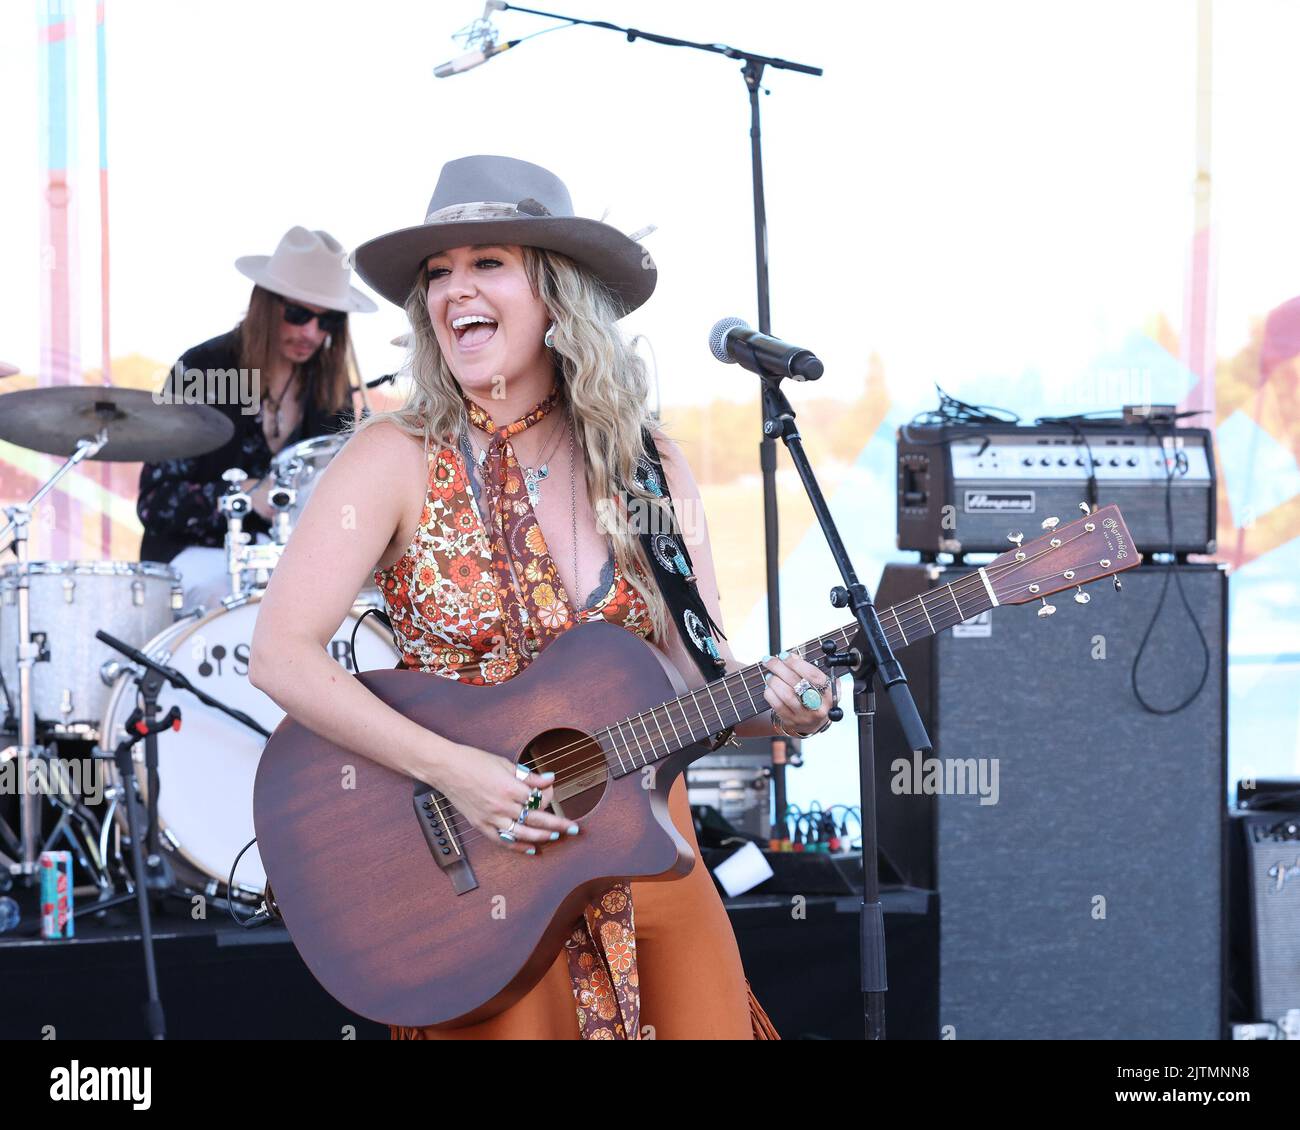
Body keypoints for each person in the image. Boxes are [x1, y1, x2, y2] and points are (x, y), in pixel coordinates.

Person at [247, 156, 834, 1040]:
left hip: (651, 869)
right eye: (438, 273)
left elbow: (699, 677)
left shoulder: (648, 466)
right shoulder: (392, 456)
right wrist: (459, 774)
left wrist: (781, 706)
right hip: (485, 888)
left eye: (488, 263)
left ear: (557, 293)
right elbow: (279, 655)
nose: (453, 291)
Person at [136, 226, 375, 607]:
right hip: (195, 556)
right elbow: (155, 501)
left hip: (282, 563)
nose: (311, 333)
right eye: (298, 314)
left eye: (327, 321)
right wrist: (244, 496)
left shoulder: (330, 389)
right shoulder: (203, 370)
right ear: (266, 305)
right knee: (243, 597)